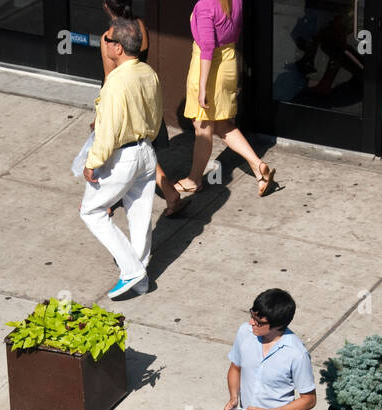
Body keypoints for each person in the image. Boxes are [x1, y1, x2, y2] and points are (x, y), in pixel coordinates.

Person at [80, 17, 163, 300]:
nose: (104, 44)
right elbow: (156, 117)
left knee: (91, 211)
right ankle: (140, 278)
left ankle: (131, 270)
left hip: (123, 157)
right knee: (140, 215)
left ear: (118, 47)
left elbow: (108, 129)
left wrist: (93, 162)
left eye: (107, 40)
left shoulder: (116, 81)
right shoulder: (149, 73)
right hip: (146, 152)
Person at [175, 0, 275, 199]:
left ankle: (194, 181)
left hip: (209, 69)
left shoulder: (205, 5)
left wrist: (202, 86)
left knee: (202, 126)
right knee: (222, 124)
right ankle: (258, 166)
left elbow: (208, 49)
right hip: (228, 64)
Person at [100, 0, 185, 217]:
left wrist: (102, 112)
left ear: (107, 7)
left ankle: (105, 202)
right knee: (143, 149)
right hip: (142, 92)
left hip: (122, 97)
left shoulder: (109, 37)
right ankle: (171, 194)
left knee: (112, 151)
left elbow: (110, 78)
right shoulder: (139, 25)